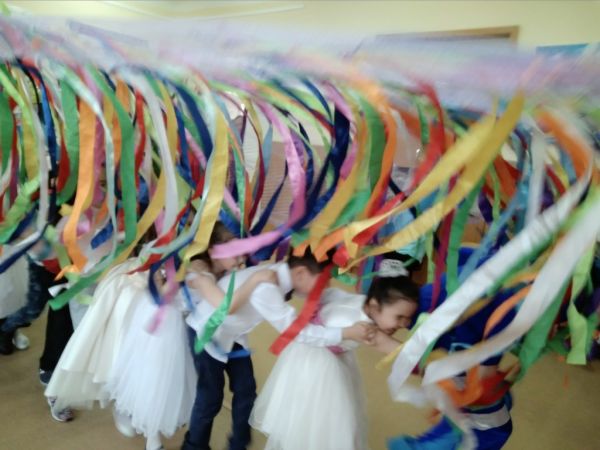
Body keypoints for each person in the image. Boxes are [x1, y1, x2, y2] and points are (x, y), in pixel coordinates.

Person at [105, 222, 276, 450]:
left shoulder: (231, 267)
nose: (241, 258)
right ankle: (160, 436)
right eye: (235, 252)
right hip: (175, 325)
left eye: (243, 251)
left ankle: (236, 443)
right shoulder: (198, 270)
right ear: (214, 251)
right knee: (165, 384)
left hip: (222, 332)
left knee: (242, 388)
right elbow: (223, 306)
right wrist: (256, 279)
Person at [182, 247, 374, 450]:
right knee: (210, 398)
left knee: (246, 392)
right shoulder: (267, 288)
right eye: (322, 281)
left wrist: (359, 305)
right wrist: (344, 333)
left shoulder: (282, 275)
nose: (324, 287)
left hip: (233, 337)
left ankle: (238, 445)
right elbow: (296, 332)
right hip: (207, 334)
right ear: (300, 273)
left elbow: (327, 297)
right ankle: (194, 446)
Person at [249, 266, 420, 450]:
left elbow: (328, 295)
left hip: (304, 357)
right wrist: (431, 366)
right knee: (326, 425)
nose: (404, 324)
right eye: (399, 317)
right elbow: (401, 353)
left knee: (305, 420)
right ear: (374, 306)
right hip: (319, 370)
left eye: (408, 318)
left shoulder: (358, 301)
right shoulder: (365, 329)